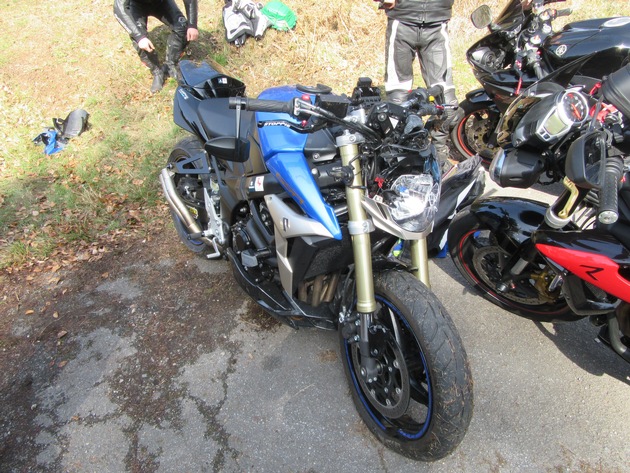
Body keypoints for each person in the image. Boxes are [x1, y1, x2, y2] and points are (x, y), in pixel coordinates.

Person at [380, 0, 458, 172]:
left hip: (437, 23)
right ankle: (398, 159)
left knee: (448, 105)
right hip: (402, 20)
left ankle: (438, 156)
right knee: (397, 102)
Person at [114, 0, 199, 93]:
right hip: (135, 4)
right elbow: (119, 8)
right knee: (139, 40)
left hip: (161, 2)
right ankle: (157, 72)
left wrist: (192, 25)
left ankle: (170, 64)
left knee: (182, 27)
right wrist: (139, 37)